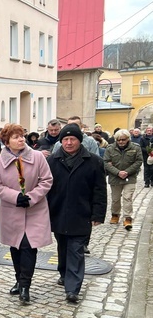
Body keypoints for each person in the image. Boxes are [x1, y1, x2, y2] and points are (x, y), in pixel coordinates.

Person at [0, 124, 53, 303]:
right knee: (15, 247)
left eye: (22, 136)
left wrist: (32, 197)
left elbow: (47, 180)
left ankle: (25, 285)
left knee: (28, 246)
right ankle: (19, 279)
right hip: (11, 210)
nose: (21, 139)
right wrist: (15, 196)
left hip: (35, 210)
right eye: (16, 137)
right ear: (7, 142)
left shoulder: (38, 157)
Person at [47, 124, 107, 304]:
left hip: (81, 213)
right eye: (65, 139)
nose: (69, 142)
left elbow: (100, 190)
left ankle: (72, 289)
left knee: (76, 250)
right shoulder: (52, 161)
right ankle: (64, 273)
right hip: (58, 212)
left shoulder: (94, 161)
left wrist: (98, 214)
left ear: (79, 141)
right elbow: (46, 188)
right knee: (63, 246)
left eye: (72, 139)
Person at [103, 129, 142, 231]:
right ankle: (115, 214)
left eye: (123, 140)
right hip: (115, 178)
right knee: (115, 199)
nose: (121, 142)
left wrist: (127, 171)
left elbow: (138, 161)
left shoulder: (135, 148)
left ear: (128, 139)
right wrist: (117, 172)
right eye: (118, 140)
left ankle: (127, 218)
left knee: (127, 197)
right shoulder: (110, 148)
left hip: (130, 177)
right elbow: (106, 162)